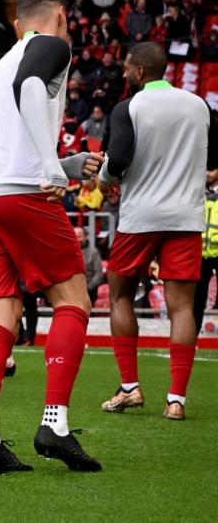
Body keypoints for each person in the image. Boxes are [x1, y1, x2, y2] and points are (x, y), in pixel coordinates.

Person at [0, 0, 102, 474]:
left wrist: (63, 159)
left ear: (17, 24)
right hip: (20, 190)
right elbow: (31, 89)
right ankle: (54, 425)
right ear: (60, 14)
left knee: (1, 314)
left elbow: (6, 130)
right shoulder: (51, 45)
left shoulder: (4, 60)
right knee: (74, 300)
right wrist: (50, 168)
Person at [98, 42, 217, 421]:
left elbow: (116, 160)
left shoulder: (127, 107)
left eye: (125, 68)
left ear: (139, 72)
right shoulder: (200, 105)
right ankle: (176, 399)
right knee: (182, 306)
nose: (122, 73)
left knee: (120, 296)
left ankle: (130, 387)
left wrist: (104, 180)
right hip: (186, 217)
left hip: (140, 218)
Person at [193, 170, 218, 332]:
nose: (207, 173)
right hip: (201, 253)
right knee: (196, 302)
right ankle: (190, 342)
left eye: (212, 169)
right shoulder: (196, 192)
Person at [75, 226, 105, 305]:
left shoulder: (93, 252)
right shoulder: (66, 252)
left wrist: (87, 288)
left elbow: (99, 275)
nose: (77, 239)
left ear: (85, 237)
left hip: (89, 293)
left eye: (79, 237)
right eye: (74, 237)